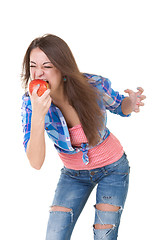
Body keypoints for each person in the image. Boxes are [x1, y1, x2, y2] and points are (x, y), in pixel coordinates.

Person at [21, 34, 146, 240]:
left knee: (104, 235)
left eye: (47, 66)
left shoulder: (91, 84)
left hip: (113, 169)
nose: (38, 73)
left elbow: (118, 105)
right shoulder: (30, 103)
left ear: (62, 67)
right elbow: (36, 162)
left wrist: (130, 103)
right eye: (33, 66)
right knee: (54, 236)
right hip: (73, 175)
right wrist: (37, 116)